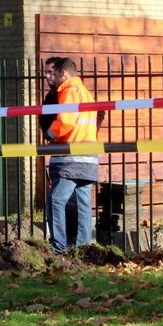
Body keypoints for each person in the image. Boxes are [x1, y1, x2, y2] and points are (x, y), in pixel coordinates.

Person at [41, 57, 99, 253]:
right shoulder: (86, 93)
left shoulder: (69, 90)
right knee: (83, 203)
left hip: (70, 156)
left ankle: (58, 246)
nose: (52, 78)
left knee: (56, 200)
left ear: (63, 73)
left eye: (54, 74)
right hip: (88, 156)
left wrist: (49, 133)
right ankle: (84, 247)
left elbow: (66, 121)